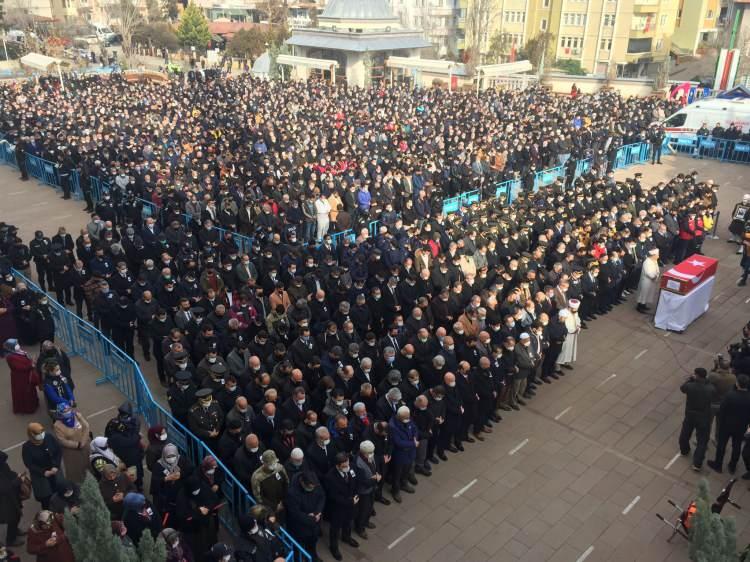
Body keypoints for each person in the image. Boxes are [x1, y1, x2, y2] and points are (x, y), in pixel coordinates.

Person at [708, 374, 750, 474]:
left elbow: (722, 410)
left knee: (722, 444)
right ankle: (732, 466)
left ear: (737, 384)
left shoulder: (730, 395)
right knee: (737, 446)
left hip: (726, 425)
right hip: (741, 426)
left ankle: (718, 465)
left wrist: (721, 422)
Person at [323, 452, 359, 560]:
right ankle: (334, 547)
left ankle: (346, 537)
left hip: (351, 504)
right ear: (337, 465)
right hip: (337, 508)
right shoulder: (330, 477)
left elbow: (355, 481)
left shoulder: (351, 467)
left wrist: (356, 495)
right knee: (335, 528)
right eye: (344, 466)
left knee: (348, 522)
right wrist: (350, 501)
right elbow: (333, 496)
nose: (347, 467)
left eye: (347, 464)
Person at [678, 367, 714, 471]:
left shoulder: (690, 386)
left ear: (697, 375)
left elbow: (682, 388)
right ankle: (697, 463)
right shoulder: (709, 389)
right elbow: (713, 390)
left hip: (690, 415)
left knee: (685, 434)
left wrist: (690, 379)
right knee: (702, 441)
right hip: (704, 417)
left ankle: (684, 450)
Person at [21, 422, 63, 510]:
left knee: (60, 491)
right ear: (31, 434)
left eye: (42, 432)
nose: (41, 435)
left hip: (55, 471)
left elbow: (58, 451)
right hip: (41, 476)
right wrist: (43, 472)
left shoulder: (49, 437)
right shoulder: (27, 447)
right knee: (46, 500)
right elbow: (29, 464)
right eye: (38, 434)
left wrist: (56, 465)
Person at [285, 472, 325, 562]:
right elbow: (295, 513)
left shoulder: (315, 482)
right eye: (310, 487)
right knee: (298, 546)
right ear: (302, 482)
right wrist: (311, 518)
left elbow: (322, 496)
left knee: (313, 542)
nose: (312, 489)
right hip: (299, 526)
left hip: (315, 522)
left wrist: (317, 512)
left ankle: (313, 557)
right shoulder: (292, 492)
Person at [51, 401, 91, 483]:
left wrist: (81, 418)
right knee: (76, 471)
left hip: (84, 446)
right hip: (72, 452)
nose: (68, 412)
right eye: (65, 411)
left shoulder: (76, 416)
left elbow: (86, 427)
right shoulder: (57, 425)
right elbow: (62, 441)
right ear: (60, 413)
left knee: (89, 465)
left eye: (69, 409)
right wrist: (78, 445)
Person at [388, 406, 418, 503]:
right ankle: (395, 490)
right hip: (400, 454)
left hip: (410, 453)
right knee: (397, 474)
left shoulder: (407, 418)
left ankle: (404, 483)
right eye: (405, 418)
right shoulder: (392, 426)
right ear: (399, 416)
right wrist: (413, 443)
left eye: (408, 417)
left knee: (406, 470)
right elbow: (398, 442)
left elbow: (414, 428)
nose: (407, 419)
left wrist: (415, 437)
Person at [352, 440, 379, 539]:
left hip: (371, 488)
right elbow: (362, 481)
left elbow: (374, 466)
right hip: (363, 491)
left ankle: (366, 522)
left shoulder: (368, 456)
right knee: (362, 510)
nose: (372, 454)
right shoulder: (358, 463)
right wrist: (375, 479)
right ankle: (360, 528)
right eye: (370, 453)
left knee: (370, 506)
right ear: (363, 452)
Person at [4, 338, 39, 414]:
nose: (18, 345)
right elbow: (20, 367)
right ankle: (27, 408)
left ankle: (32, 404)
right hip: (20, 378)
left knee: (29, 390)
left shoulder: (17, 352)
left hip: (23, 376)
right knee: (25, 391)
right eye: (16, 344)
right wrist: (31, 365)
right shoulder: (10, 357)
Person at [250, 450, 289, 516]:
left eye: (274, 463)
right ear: (264, 463)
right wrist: (275, 507)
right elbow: (259, 497)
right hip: (269, 509)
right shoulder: (257, 477)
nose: (273, 466)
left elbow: (286, 483)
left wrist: (283, 502)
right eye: (270, 464)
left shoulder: (280, 468)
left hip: (283, 503)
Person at [0, 451, 25, 547]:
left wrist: (16, 475)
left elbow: (9, 473)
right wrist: (18, 480)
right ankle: (10, 540)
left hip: (11, 497)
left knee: (16, 516)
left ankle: (15, 531)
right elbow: (5, 488)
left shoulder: (3, 465)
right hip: (4, 502)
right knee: (13, 518)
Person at [636, 248, 661, 312]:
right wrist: (654, 276)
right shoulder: (647, 262)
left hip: (652, 281)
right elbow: (648, 272)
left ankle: (644, 305)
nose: (658, 256)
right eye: (657, 255)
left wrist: (657, 275)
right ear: (653, 255)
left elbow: (657, 270)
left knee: (648, 293)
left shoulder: (654, 261)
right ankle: (640, 307)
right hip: (646, 281)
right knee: (643, 294)